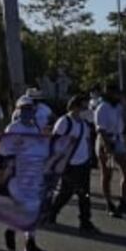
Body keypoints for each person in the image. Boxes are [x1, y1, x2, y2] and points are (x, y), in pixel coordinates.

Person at [3, 95, 50, 251]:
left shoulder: (35, 128)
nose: (28, 112)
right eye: (24, 109)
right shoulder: (13, 128)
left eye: (30, 109)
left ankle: (30, 241)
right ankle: (11, 230)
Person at [47, 94, 99, 234]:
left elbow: (87, 141)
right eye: (83, 106)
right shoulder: (64, 122)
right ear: (75, 106)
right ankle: (51, 213)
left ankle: (85, 221)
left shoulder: (83, 124)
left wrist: (90, 158)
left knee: (85, 194)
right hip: (69, 165)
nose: (85, 109)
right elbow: (55, 141)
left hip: (83, 163)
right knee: (66, 193)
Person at [95, 85, 126, 218]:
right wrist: (107, 147)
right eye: (117, 94)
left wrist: (125, 108)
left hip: (119, 140)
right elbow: (100, 130)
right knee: (107, 174)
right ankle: (109, 203)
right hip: (106, 140)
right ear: (110, 94)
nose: (119, 97)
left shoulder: (118, 108)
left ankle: (123, 201)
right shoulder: (102, 108)